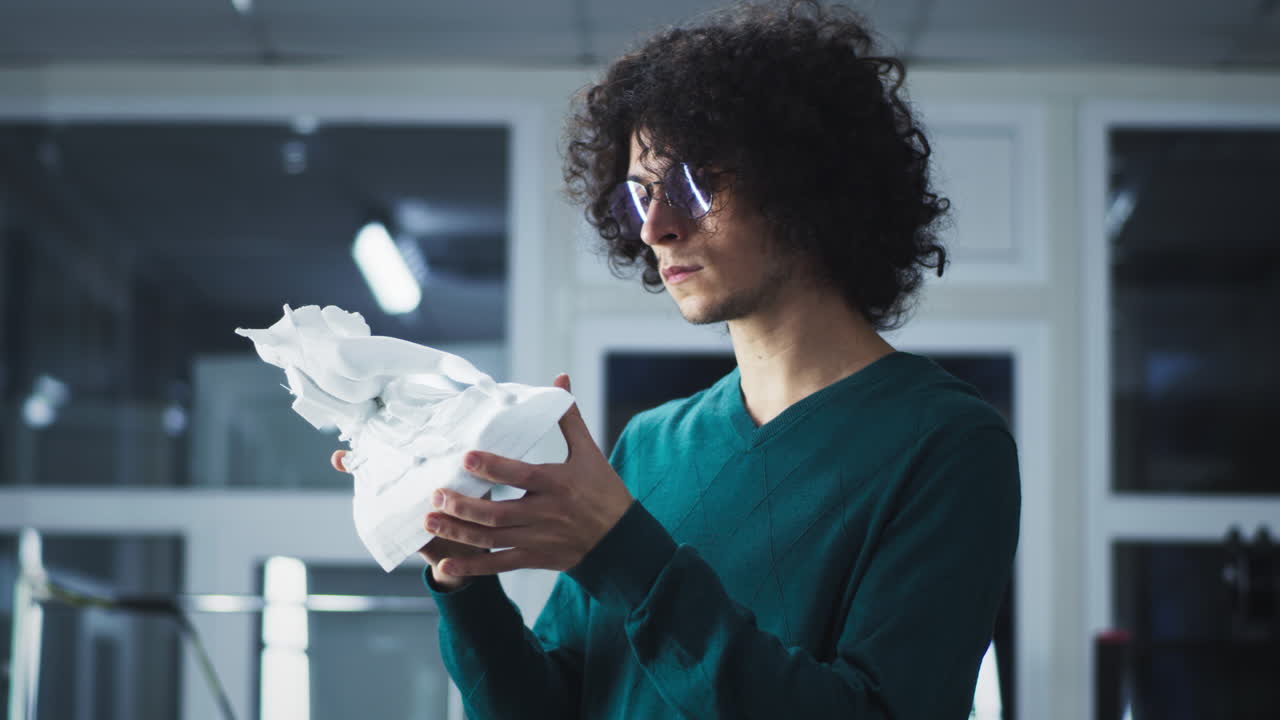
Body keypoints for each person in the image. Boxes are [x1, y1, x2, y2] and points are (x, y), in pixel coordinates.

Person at [333, 2, 1020, 717]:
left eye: (694, 185)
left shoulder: (946, 443)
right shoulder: (653, 446)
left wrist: (622, 552)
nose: (657, 227)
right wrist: (462, 577)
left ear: (805, 184)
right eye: (640, 195)